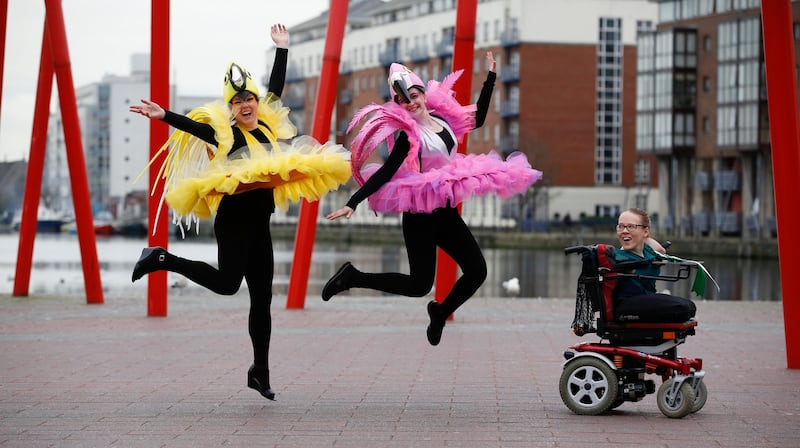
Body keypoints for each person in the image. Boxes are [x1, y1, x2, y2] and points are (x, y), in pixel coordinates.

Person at [129, 24, 350, 401]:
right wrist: (162, 114)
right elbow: (192, 126)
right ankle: (161, 257)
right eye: (237, 101)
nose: (245, 105)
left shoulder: (266, 126)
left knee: (262, 299)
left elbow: (276, 89)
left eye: (249, 98)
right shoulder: (222, 134)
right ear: (231, 108)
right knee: (229, 284)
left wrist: (282, 49)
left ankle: (259, 372)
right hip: (232, 220)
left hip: (260, 222)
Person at [321, 53, 542, 346]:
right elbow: (386, 171)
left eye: (414, 95)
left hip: (446, 212)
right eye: (404, 100)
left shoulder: (444, 121)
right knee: (419, 285)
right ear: (399, 105)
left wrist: (490, 79)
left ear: (423, 94)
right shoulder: (408, 136)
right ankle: (352, 277)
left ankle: (440, 312)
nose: (411, 102)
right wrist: (354, 201)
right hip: (420, 214)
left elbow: (479, 117)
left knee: (477, 271)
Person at [611, 207, 697, 322]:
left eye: (631, 226)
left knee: (689, 306)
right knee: (682, 308)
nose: (624, 231)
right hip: (627, 305)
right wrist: (636, 234)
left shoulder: (647, 251)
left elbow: (661, 250)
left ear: (646, 231)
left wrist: (642, 237)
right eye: (620, 226)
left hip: (646, 299)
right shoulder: (619, 257)